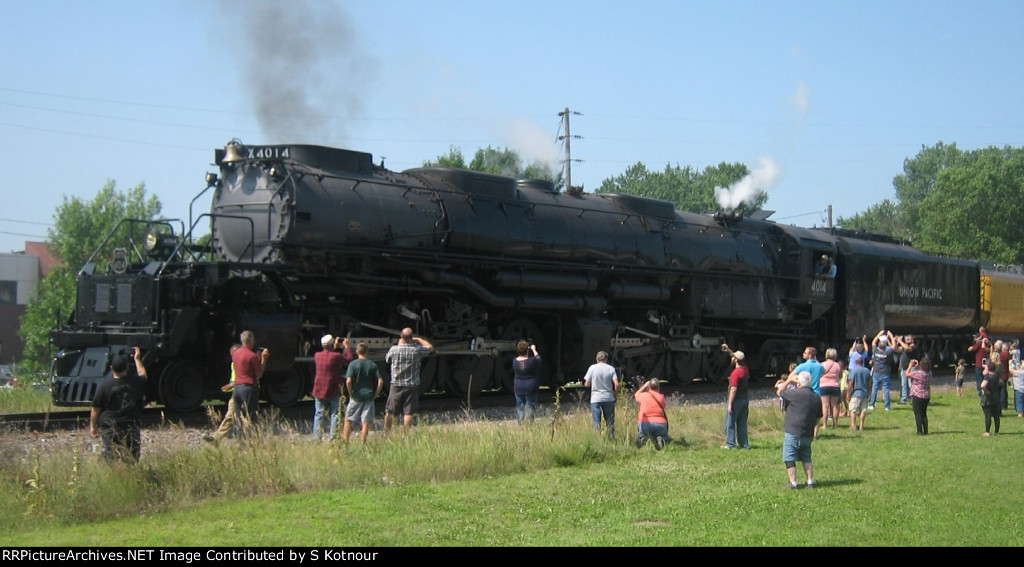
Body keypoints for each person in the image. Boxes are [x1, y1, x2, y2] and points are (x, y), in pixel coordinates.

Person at [90, 347, 148, 462]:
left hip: (110, 425)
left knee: (111, 453)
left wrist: (93, 426)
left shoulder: (104, 387)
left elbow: (95, 410)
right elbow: (143, 374)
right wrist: (137, 359)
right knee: (132, 456)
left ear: (111, 368)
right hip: (130, 424)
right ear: (127, 368)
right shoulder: (135, 382)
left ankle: (114, 471)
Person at [776, 371, 822, 489]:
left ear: (799, 384)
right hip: (808, 432)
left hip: (793, 431)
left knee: (789, 456)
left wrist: (789, 380)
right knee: (806, 456)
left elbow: (779, 392)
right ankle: (810, 481)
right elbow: (818, 417)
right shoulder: (816, 397)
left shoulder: (794, 394)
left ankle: (793, 483)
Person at [384, 328, 433, 435]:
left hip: (396, 384)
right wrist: (419, 339)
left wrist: (399, 344)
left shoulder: (393, 349)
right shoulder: (416, 349)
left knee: (390, 411)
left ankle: (386, 433)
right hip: (412, 384)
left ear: (401, 337)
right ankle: (405, 435)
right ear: (411, 338)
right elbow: (430, 348)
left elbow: (387, 360)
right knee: (408, 412)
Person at [225, 330, 269, 438]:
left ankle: (240, 440)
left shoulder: (235, 354)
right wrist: (264, 359)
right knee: (251, 416)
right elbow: (259, 374)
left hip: (237, 388)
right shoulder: (251, 356)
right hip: (248, 388)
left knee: (239, 416)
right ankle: (251, 440)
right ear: (250, 341)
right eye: (253, 340)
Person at [312, 334, 354, 442]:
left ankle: (316, 438)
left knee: (319, 414)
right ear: (331, 344)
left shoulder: (317, 355)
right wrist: (347, 347)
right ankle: (333, 438)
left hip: (319, 389)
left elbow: (330, 357)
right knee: (335, 414)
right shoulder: (336, 357)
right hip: (333, 389)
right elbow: (349, 360)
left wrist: (333, 347)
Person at [343, 342, 384, 445]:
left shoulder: (353, 364)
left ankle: (346, 442)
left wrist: (350, 394)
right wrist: (376, 394)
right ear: (367, 352)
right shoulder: (373, 365)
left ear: (356, 352)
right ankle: (363, 444)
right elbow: (381, 381)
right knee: (365, 422)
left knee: (348, 419)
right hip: (369, 396)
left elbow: (348, 381)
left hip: (356, 396)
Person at [206, 344, 242, 443]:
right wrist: (229, 387)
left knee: (245, 418)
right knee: (231, 416)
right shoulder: (234, 364)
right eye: (232, 355)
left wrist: (231, 385)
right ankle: (216, 439)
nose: (233, 357)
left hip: (246, 393)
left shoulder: (245, 362)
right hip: (237, 392)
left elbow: (246, 378)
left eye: (234, 355)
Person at [720, 344, 751, 450]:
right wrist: (729, 350)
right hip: (745, 399)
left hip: (736, 400)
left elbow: (733, 389)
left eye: (733, 357)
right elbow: (736, 355)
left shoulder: (735, 373)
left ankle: (731, 444)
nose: (732, 358)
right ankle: (744, 444)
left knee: (730, 423)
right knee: (742, 424)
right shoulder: (745, 369)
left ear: (736, 360)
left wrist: (729, 404)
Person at [583, 350, 620, 437]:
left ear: (597, 359)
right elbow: (617, 384)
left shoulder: (592, 368)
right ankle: (611, 439)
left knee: (596, 422)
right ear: (606, 359)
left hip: (595, 398)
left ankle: (597, 440)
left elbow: (587, 384)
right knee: (610, 422)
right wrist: (615, 394)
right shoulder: (611, 368)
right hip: (608, 398)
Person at [512, 340, 542, 424]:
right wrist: (534, 349)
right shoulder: (532, 361)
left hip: (518, 387)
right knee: (530, 407)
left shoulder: (514, 361)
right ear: (527, 350)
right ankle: (528, 426)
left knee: (520, 409)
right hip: (531, 387)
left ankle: (521, 425)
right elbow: (539, 360)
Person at [634, 377, 668, 450]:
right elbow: (664, 406)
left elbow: (636, 395)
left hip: (645, 423)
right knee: (662, 435)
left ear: (649, 387)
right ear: (658, 387)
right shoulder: (661, 397)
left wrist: (645, 386)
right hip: (660, 424)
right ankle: (660, 439)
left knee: (643, 435)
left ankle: (643, 440)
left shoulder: (643, 396)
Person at [867, 330, 895, 411]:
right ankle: (887, 406)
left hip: (876, 371)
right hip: (885, 372)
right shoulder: (888, 352)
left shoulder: (875, 351)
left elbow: (873, 342)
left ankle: (872, 405)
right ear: (885, 345)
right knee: (886, 389)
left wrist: (878, 334)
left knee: (874, 388)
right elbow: (893, 346)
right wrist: (891, 336)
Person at [818, 348, 842, 434]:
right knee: (835, 406)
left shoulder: (822, 364)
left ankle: (824, 424)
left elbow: (819, 375)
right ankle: (835, 424)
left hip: (824, 386)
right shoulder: (837, 365)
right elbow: (840, 375)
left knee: (825, 406)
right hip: (835, 386)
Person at [906, 358, 932, 435]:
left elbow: (907, 374)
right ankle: (926, 430)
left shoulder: (919, 373)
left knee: (917, 413)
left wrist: (910, 366)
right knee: (924, 413)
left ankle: (919, 431)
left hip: (917, 394)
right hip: (926, 395)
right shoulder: (929, 373)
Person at [980, 362, 1003, 436]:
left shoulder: (988, 377)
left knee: (988, 416)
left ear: (988, 368)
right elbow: (1001, 384)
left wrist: (986, 391)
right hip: (996, 398)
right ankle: (996, 432)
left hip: (988, 399)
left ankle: (987, 432)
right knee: (996, 416)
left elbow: (982, 385)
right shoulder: (997, 376)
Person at [847, 362, 871, 430]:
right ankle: (861, 426)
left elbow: (851, 382)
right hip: (864, 393)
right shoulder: (867, 371)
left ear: (856, 362)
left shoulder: (854, 370)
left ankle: (853, 425)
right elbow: (870, 382)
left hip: (856, 393)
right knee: (863, 410)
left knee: (853, 410)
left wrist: (848, 393)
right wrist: (869, 392)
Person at [894, 335, 917, 405]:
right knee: (903, 384)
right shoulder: (904, 347)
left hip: (911, 368)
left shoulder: (914, 347)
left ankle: (914, 400)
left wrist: (900, 341)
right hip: (904, 368)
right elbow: (896, 349)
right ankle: (903, 399)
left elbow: (907, 348)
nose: (906, 340)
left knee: (911, 384)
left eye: (908, 339)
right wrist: (896, 341)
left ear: (913, 340)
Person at [967, 328, 990, 393]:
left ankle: (981, 392)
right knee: (985, 377)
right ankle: (985, 389)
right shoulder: (988, 342)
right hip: (986, 362)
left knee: (979, 378)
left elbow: (970, 349)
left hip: (979, 363)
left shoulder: (979, 343)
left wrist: (974, 343)